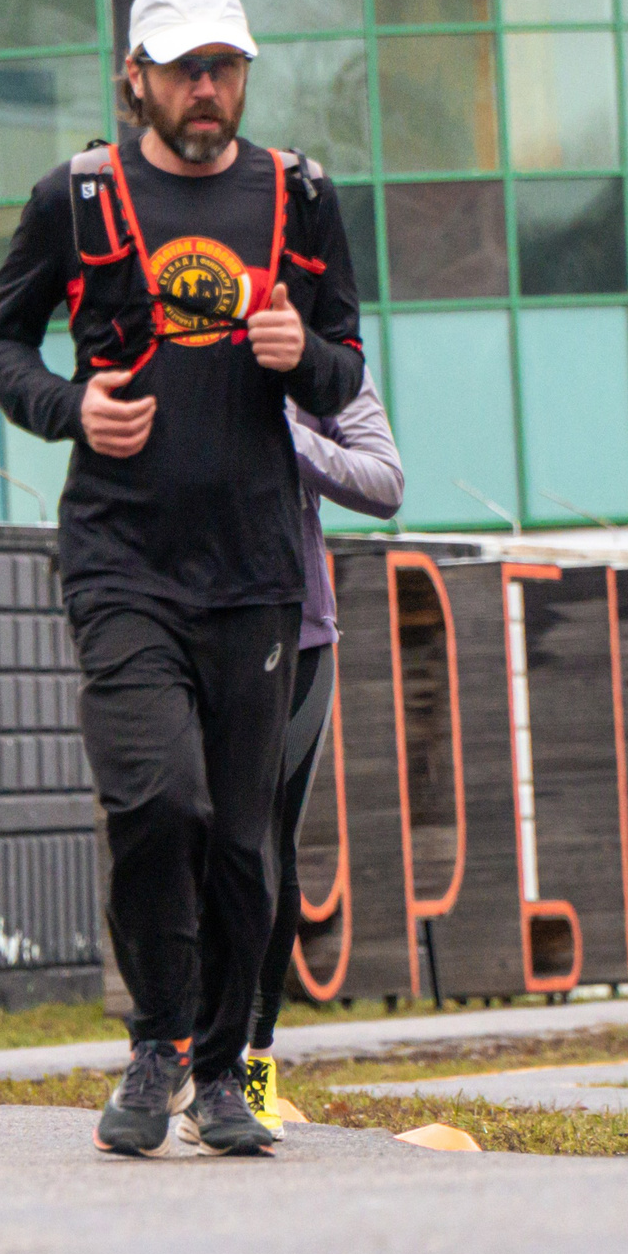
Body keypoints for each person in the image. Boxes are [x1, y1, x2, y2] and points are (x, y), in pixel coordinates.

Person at [0, 0, 366, 1158]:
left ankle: (223, 1072)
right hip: (121, 555)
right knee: (158, 801)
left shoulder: (298, 196)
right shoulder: (77, 197)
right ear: (135, 76)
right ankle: (155, 1043)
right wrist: (66, 407)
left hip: (254, 565)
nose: (208, 88)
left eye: (226, 66)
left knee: (242, 839)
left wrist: (304, 357)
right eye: (185, 67)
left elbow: (348, 366)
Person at [241, 370, 402, 1137]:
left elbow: (384, 480)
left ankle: (254, 1062)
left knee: (270, 850)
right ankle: (175, 1049)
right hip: (186, 630)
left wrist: (286, 434)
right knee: (186, 832)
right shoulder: (159, 333)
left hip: (297, 637)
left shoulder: (317, 359)